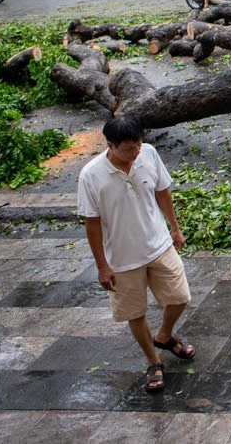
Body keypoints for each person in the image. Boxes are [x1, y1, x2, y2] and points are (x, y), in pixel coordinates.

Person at [78, 116, 194, 395]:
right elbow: (91, 223)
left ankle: (164, 336)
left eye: (138, 144)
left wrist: (175, 229)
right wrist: (102, 266)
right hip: (121, 258)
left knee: (180, 297)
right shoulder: (91, 175)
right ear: (111, 146)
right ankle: (153, 362)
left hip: (158, 244)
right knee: (136, 312)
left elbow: (162, 192)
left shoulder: (149, 154)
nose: (136, 152)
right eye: (129, 149)